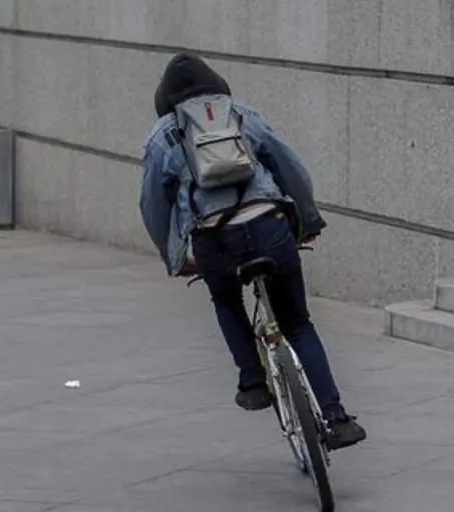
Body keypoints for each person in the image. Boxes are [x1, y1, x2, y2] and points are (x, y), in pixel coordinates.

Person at [138, 52, 366, 450]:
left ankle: (252, 382)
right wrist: (307, 220)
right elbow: (287, 165)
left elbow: (154, 206)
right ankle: (336, 417)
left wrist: (174, 256)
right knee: (297, 324)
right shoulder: (241, 113)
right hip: (269, 228)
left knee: (226, 301)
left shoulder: (163, 134)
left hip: (216, 240)